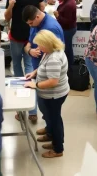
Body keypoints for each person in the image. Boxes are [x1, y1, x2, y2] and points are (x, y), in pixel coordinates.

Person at [24, 30, 69, 158]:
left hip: (54, 94)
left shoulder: (54, 58)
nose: (38, 48)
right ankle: (50, 134)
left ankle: (58, 148)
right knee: (49, 116)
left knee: (55, 120)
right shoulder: (50, 51)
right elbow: (44, 65)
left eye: (40, 45)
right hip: (50, 94)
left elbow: (53, 81)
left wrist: (35, 85)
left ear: (47, 44)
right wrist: (34, 73)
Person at [23, 5, 64, 130]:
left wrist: (36, 84)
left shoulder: (51, 28)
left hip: (50, 79)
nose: (30, 26)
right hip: (40, 71)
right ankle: (49, 129)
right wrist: (30, 51)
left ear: (37, 17)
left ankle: (55, 142)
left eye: (31, 23)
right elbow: (28, 45)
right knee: (44, 108)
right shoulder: (35, 24)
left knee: (51, 112)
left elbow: (57, 53)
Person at [4, 0, 44, 78]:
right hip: (32, 34)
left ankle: (18, 85)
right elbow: (42, 7)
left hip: (16, 34)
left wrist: (10, 6)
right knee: (29, 62)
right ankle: (28, 85)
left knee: (16, 63)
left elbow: (7, 17)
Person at [54, 0, 77, 75]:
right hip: (68, 28)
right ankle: (69, 66)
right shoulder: (67, 1)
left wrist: (57, 16)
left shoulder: (69, 5)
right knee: (68, 47)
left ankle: (69, 67)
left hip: (68, 29)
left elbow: (67, 21)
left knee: (67, 49)